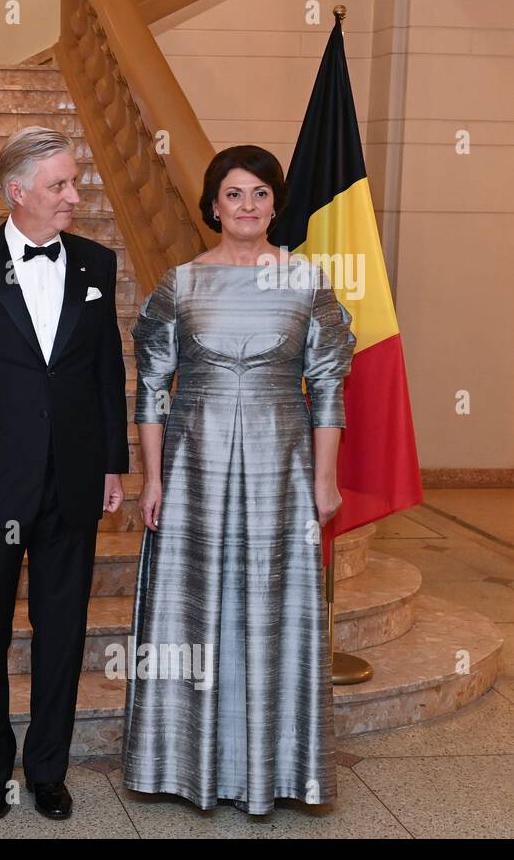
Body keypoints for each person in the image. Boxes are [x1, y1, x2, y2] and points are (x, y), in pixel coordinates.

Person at [122, 144, 355, 815]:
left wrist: (326, 478)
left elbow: (330, 388)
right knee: (191, 609)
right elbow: (150, 392)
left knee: (272, 606)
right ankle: (183, 764)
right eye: (233, 194)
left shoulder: (307, 282)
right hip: (193, 466)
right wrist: (153, 477)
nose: (246, 206)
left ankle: (273, 769)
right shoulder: (181, 284)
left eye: (258, 193)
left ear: (275, 203)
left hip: (282, 466)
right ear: (213, 206)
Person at [0, 126, 128, 820]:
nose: (75, 195)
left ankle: (48, 770)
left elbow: (105, 374)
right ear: (18, 192)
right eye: (61, 185)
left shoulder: (97, 264)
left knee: (63, 629)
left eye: (75, 182)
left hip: (71, 479)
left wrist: (112, 464)